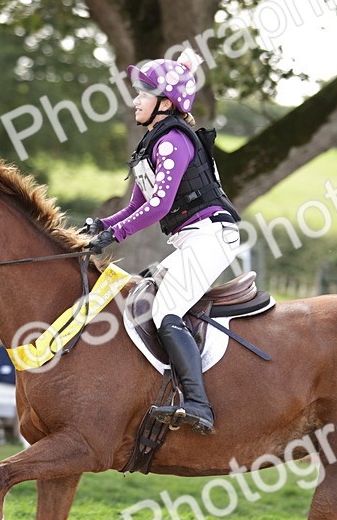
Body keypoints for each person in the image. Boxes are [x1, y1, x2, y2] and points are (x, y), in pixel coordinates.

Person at [85, 49, 241, 434]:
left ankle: (198, 404)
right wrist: (100, 225)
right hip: (191, 239)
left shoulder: (172, 141)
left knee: (165, 311)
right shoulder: (153, 143)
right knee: (145, 299)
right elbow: (137, 204)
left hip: (210, 236)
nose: (135, 100)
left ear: (165, 103)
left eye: (143, 94)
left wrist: (115, 234)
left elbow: (159, 207)